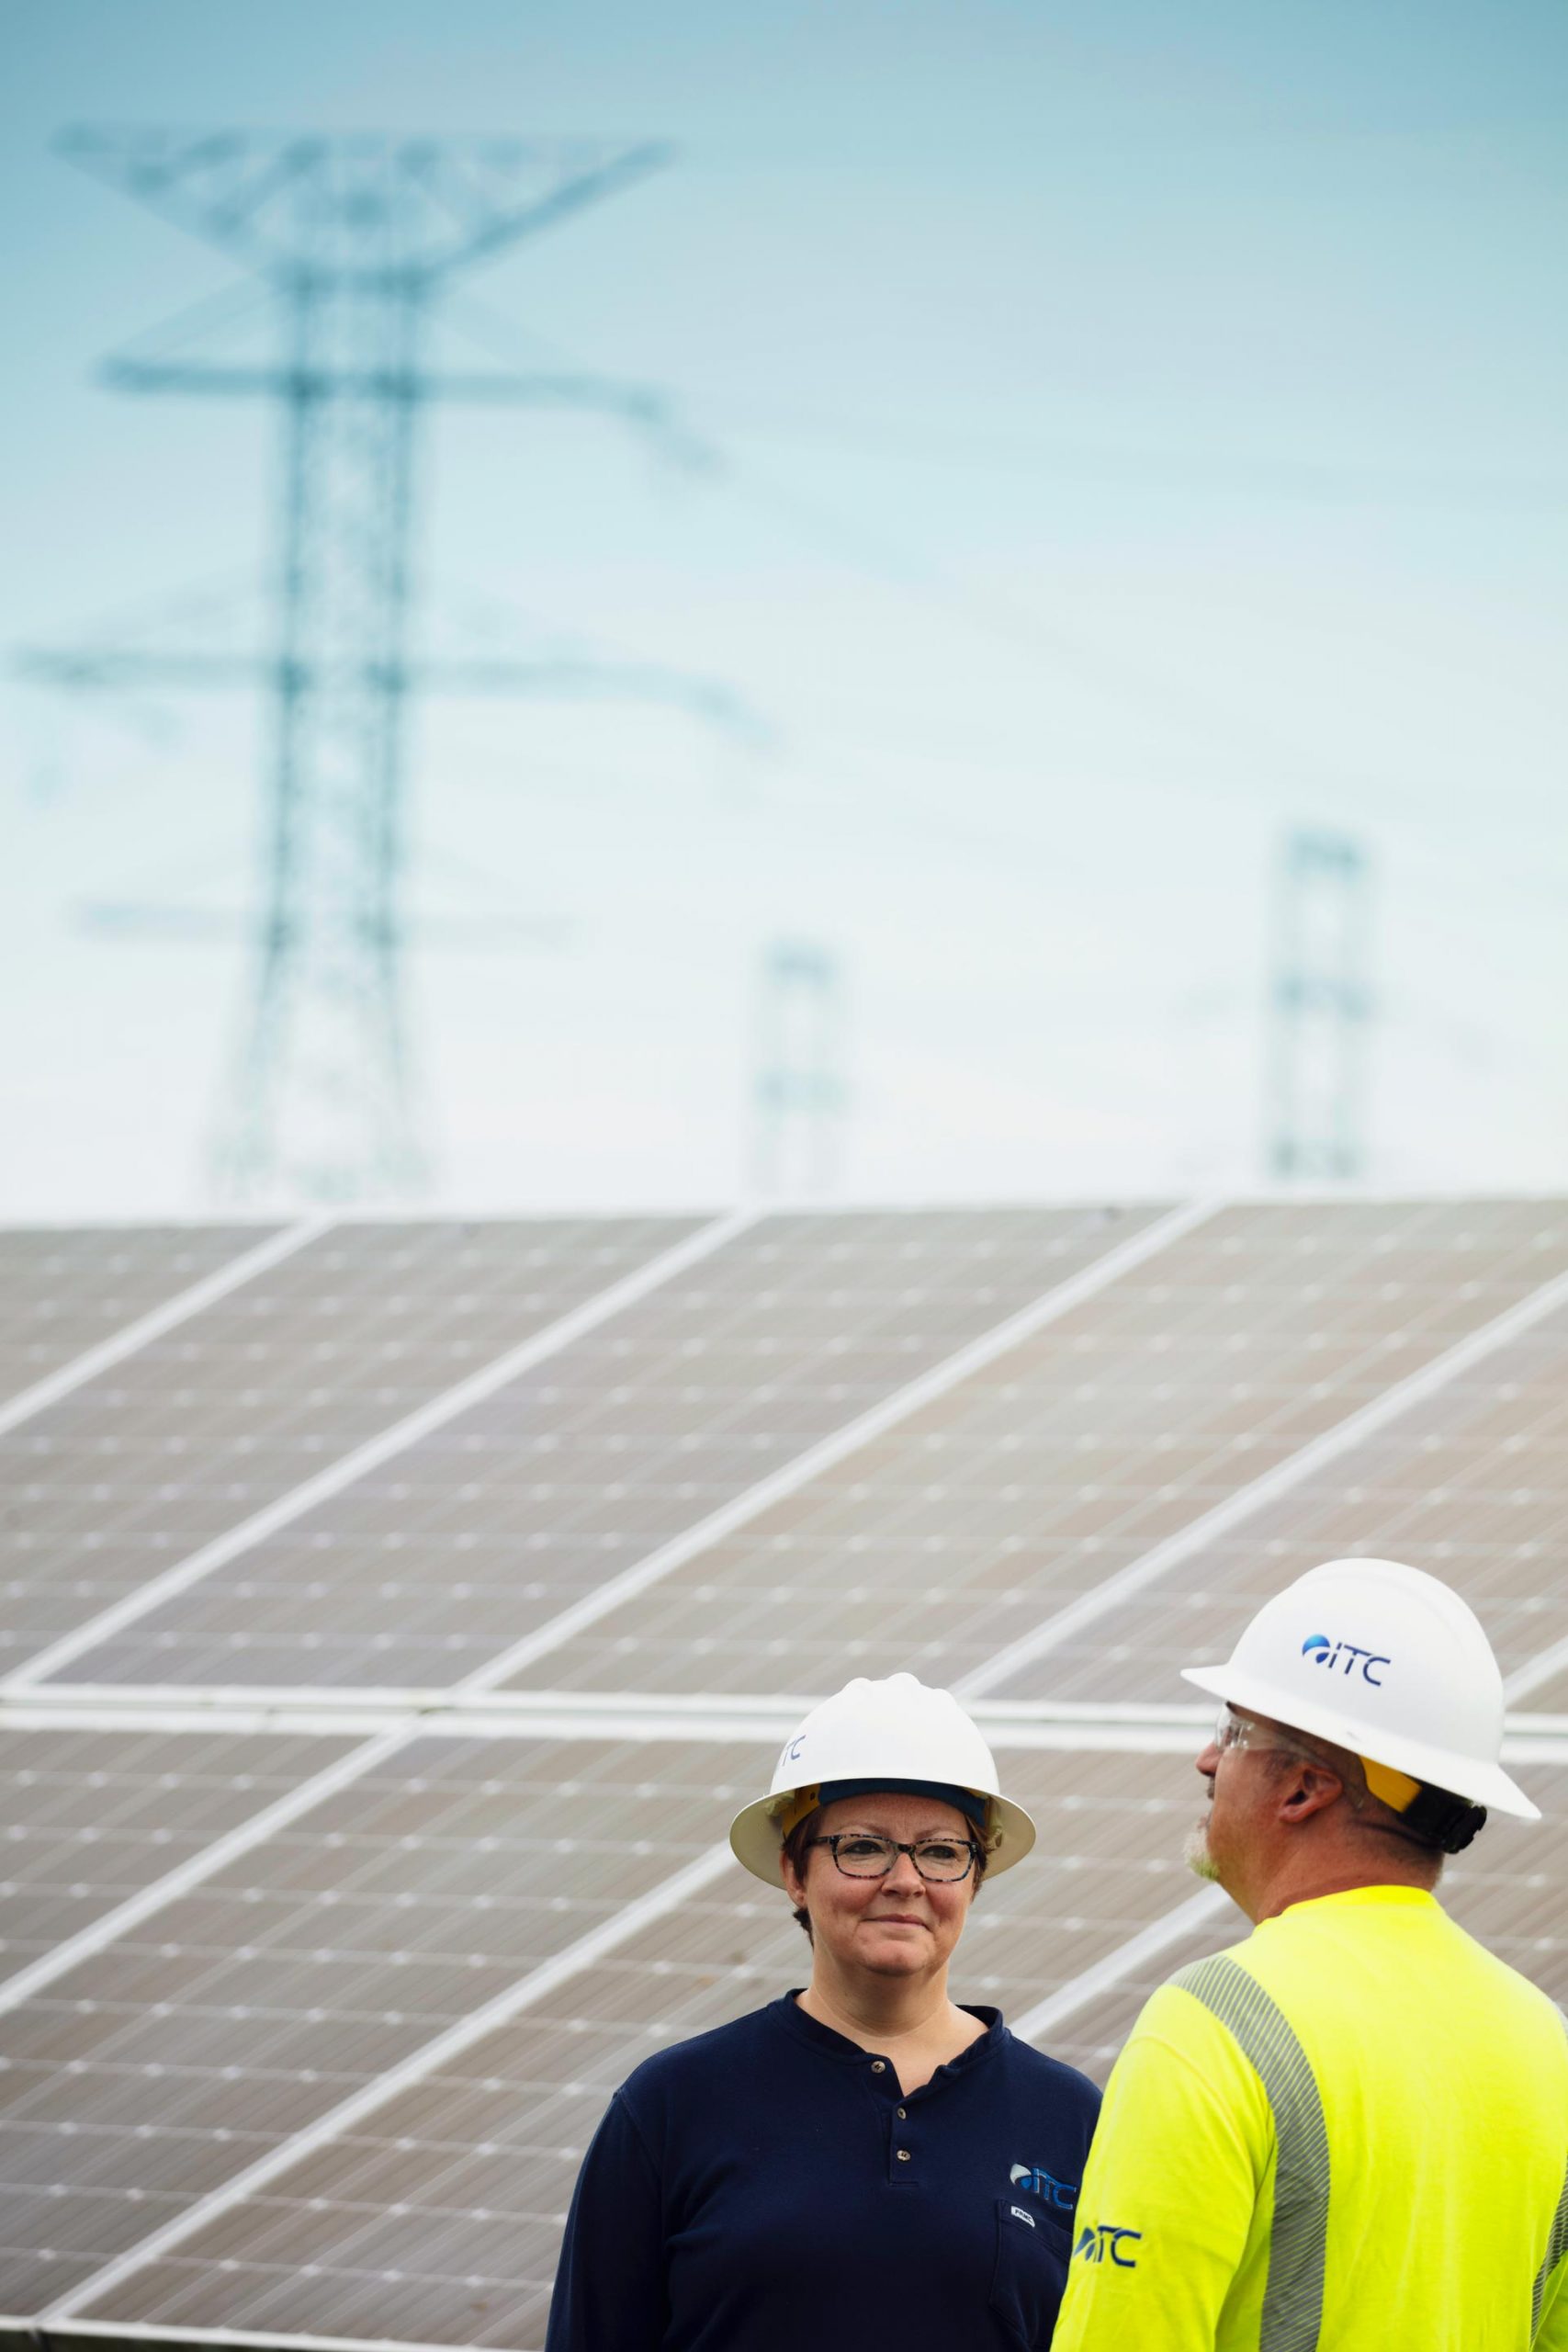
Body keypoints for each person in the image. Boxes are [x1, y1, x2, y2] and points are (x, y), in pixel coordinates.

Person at [1053, 1555, 1568, 2352]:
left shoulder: (1213, 2024)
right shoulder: (1547, 2045)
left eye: (1233, 1731)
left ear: (1300, 1789)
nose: (1206, 1760)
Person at [545, 1671, 1100, 2351]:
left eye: (940, 1852)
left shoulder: (1070, 2118)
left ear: (974, 1878)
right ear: (792, 1871)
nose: (905, 1880)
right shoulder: (672, 2105)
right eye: (861, 1847)